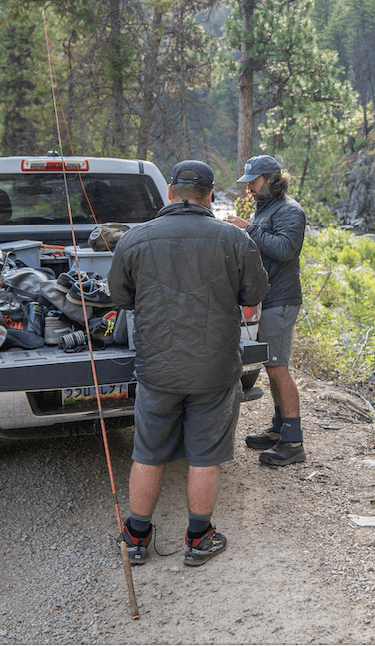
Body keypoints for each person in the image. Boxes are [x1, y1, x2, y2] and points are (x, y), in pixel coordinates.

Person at [108, 160, 268, 567]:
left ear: (170, 194)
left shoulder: (135, 239)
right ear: (210, 196)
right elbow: (253, 294)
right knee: (205, 455)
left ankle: (136, 537)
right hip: (214, 371)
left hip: (157, 371)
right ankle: (198, 539)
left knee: (148, 452)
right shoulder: (233, 239)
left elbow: (121, 298)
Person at [228, 154, 307, 467]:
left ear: (271, 179)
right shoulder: (267, 208)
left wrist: (247, 229)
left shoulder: (290, 210)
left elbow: (286, 249)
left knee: (278, 368)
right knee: (273, 368)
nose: (248, 186)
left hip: (282, 300)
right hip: (267, 299)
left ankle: (294, 442)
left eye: (253, 180)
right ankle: (279, 429)